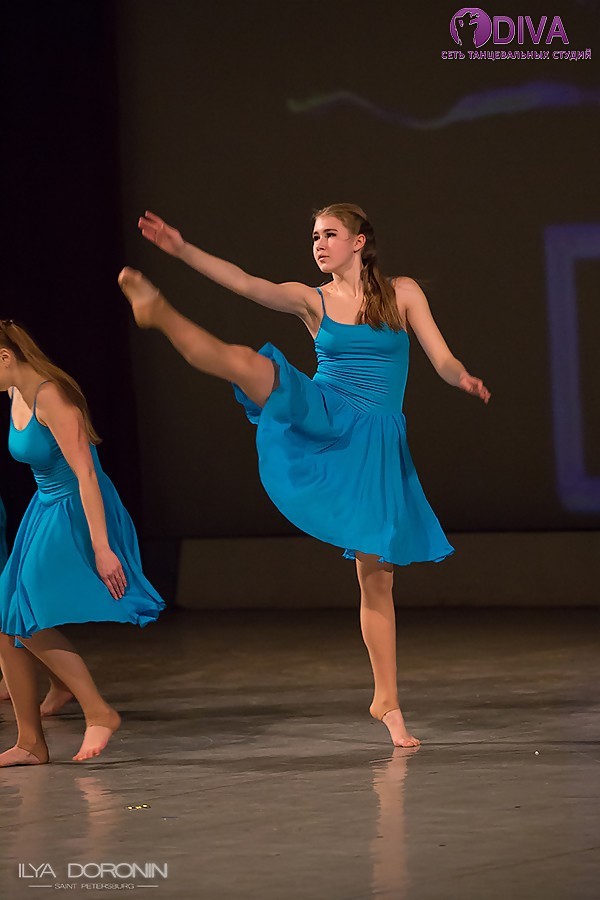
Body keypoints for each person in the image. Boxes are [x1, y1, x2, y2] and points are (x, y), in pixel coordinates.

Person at [119, 202, 490, 747]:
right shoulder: (311, 299)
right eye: (315, 236)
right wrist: (181, 249)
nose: (319, 244)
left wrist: (462, 378)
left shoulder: (403, 293)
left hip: (374, 440)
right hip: (324, 410)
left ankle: (386, 698)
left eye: (330, 234)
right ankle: (160, 314)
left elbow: (442, 358)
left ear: (359, 241)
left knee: (377, 576)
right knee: (246, 362)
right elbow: (246, 284)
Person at [0, 319, 165, 766]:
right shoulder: (14, 391)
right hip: (44, 504)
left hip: (76, 504)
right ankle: (30, 743)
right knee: (5, 615)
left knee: (28, 615)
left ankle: (98, 710)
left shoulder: (51, 396)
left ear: (6, 357)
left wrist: (102, 547)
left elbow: (87, 474)